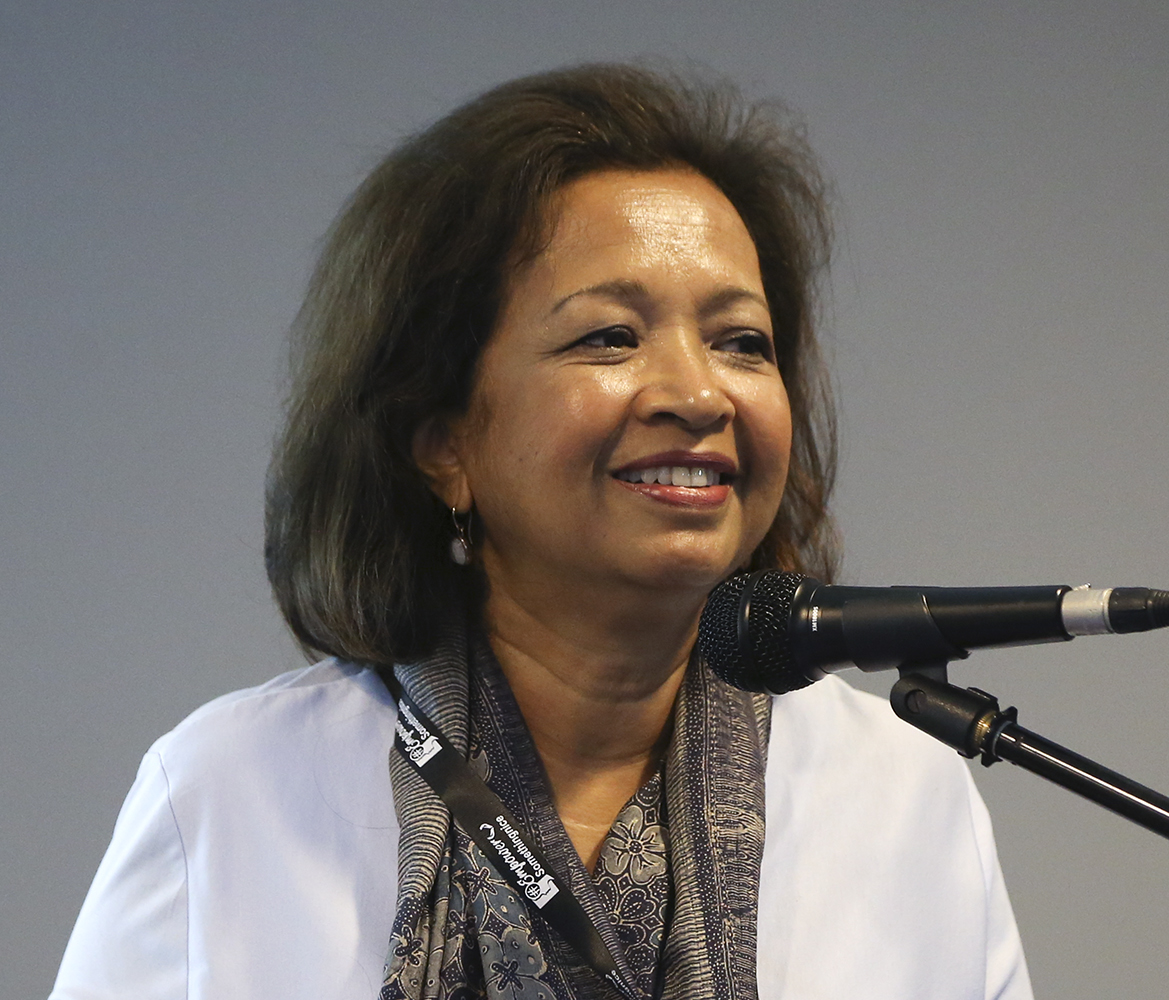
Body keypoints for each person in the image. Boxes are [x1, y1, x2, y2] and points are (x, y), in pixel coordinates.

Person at [51, 63, 1032, 1000]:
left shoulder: (903, 797)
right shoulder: (234, 792)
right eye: (610, 335)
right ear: (442, 440)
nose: (698, 393)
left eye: (742, 342)